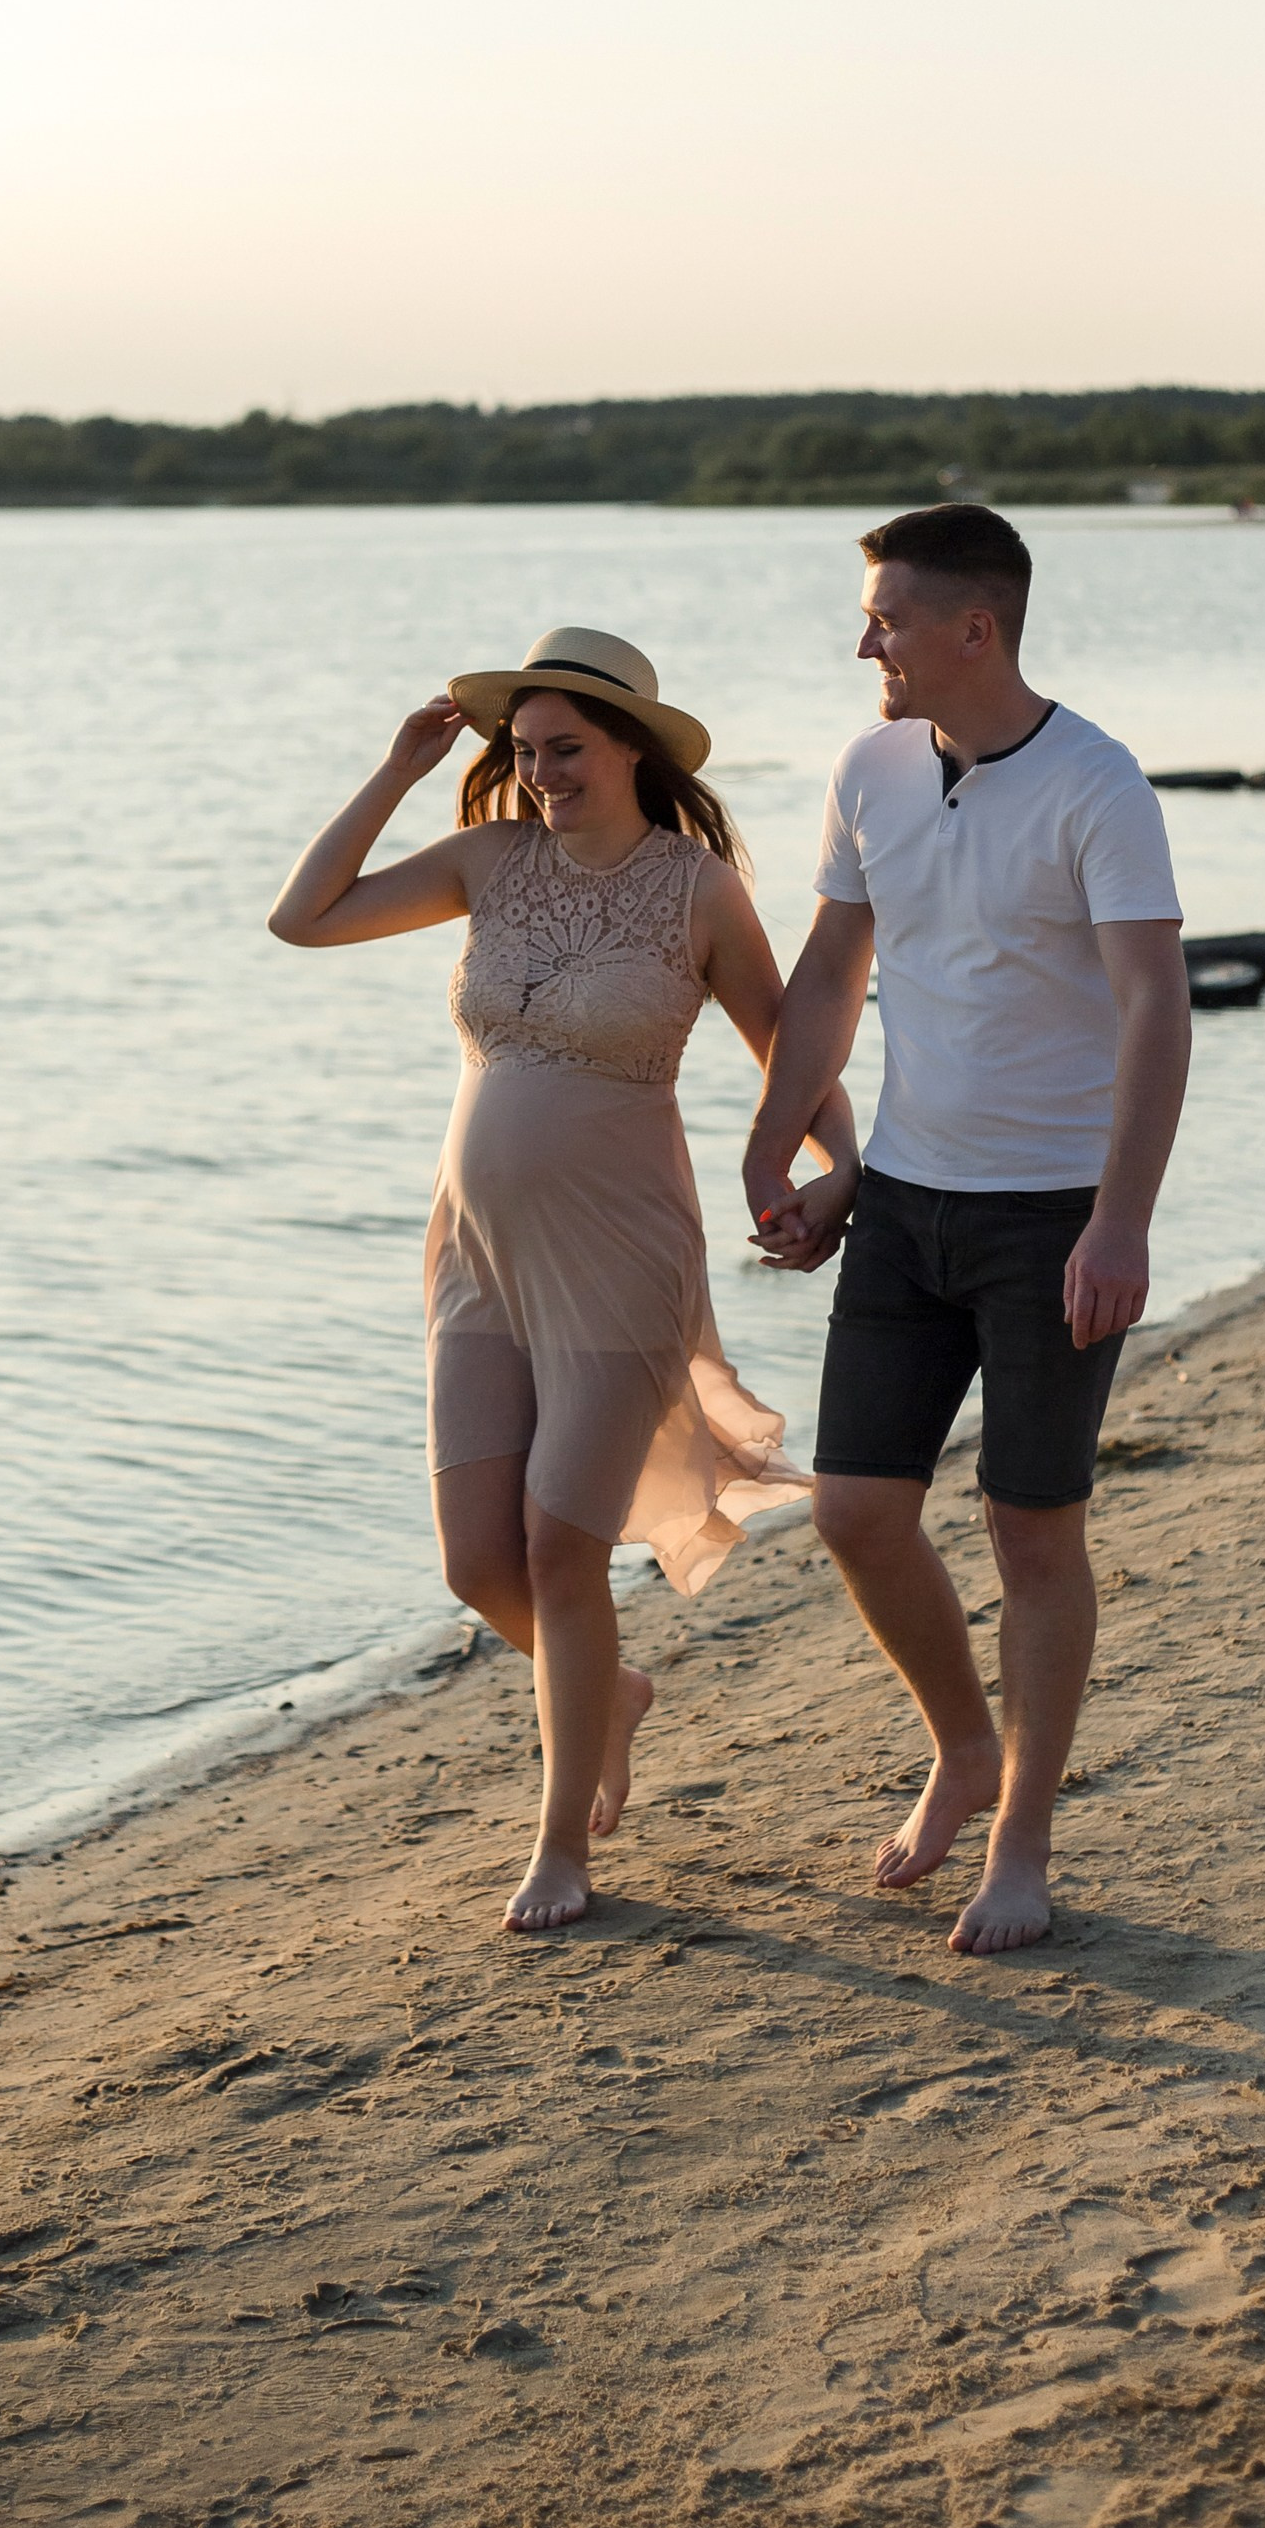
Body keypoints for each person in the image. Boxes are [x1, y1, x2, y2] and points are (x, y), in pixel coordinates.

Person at [271, 629, 853, 1935]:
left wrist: (840, 1169)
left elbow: (788, 1048)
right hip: (475, 1259)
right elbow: (300, 919)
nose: (540, 776)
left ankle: (559, 1847)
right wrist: (392, 773)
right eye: (522, 754)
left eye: (565, 751)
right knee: (477, 1562)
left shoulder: (695, 890)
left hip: (622, 1255)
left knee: (557, 1544)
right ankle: (612, 1695)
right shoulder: (489, 862)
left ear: (631, 748)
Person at [744, 507, 1189, 1957]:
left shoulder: (1096, 785)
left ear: (970, 629)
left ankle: (1022, 1842)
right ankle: (963, 1746)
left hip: (1052, 1216)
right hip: (904, 1204)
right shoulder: (869, 768)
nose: (862, 641)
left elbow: (1152, 1010)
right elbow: (828, 971)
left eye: (884, 617)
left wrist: (1118, 1222)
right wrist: (781, 1148)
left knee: (1029, 1529)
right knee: (854, 1510)